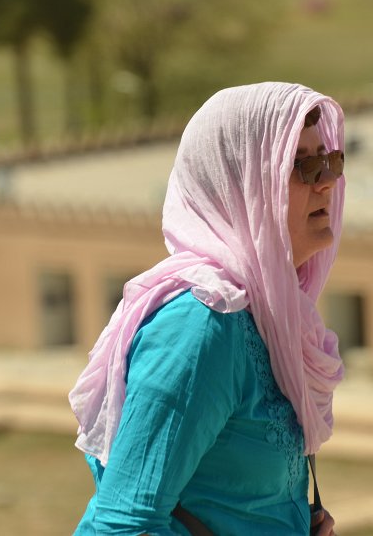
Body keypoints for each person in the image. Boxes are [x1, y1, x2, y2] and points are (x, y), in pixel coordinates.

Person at [69, 82, 347, 535]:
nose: (327, 181)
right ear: (243, 184)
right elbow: (124, 526)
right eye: (302, 166)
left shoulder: (270, 315)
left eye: (329, 160)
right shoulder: (200, 327)